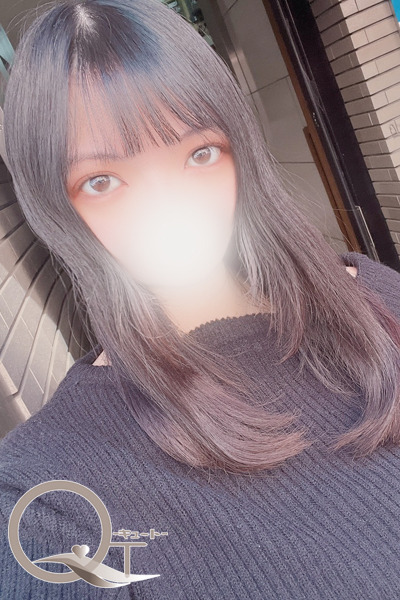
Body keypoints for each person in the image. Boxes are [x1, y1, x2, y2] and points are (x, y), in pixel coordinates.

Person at [1, 0, 400, 598]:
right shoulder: (50, 495)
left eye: (199, 154)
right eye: (102, 181)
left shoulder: (373, 293)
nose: (169, 207)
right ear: (57, 206)